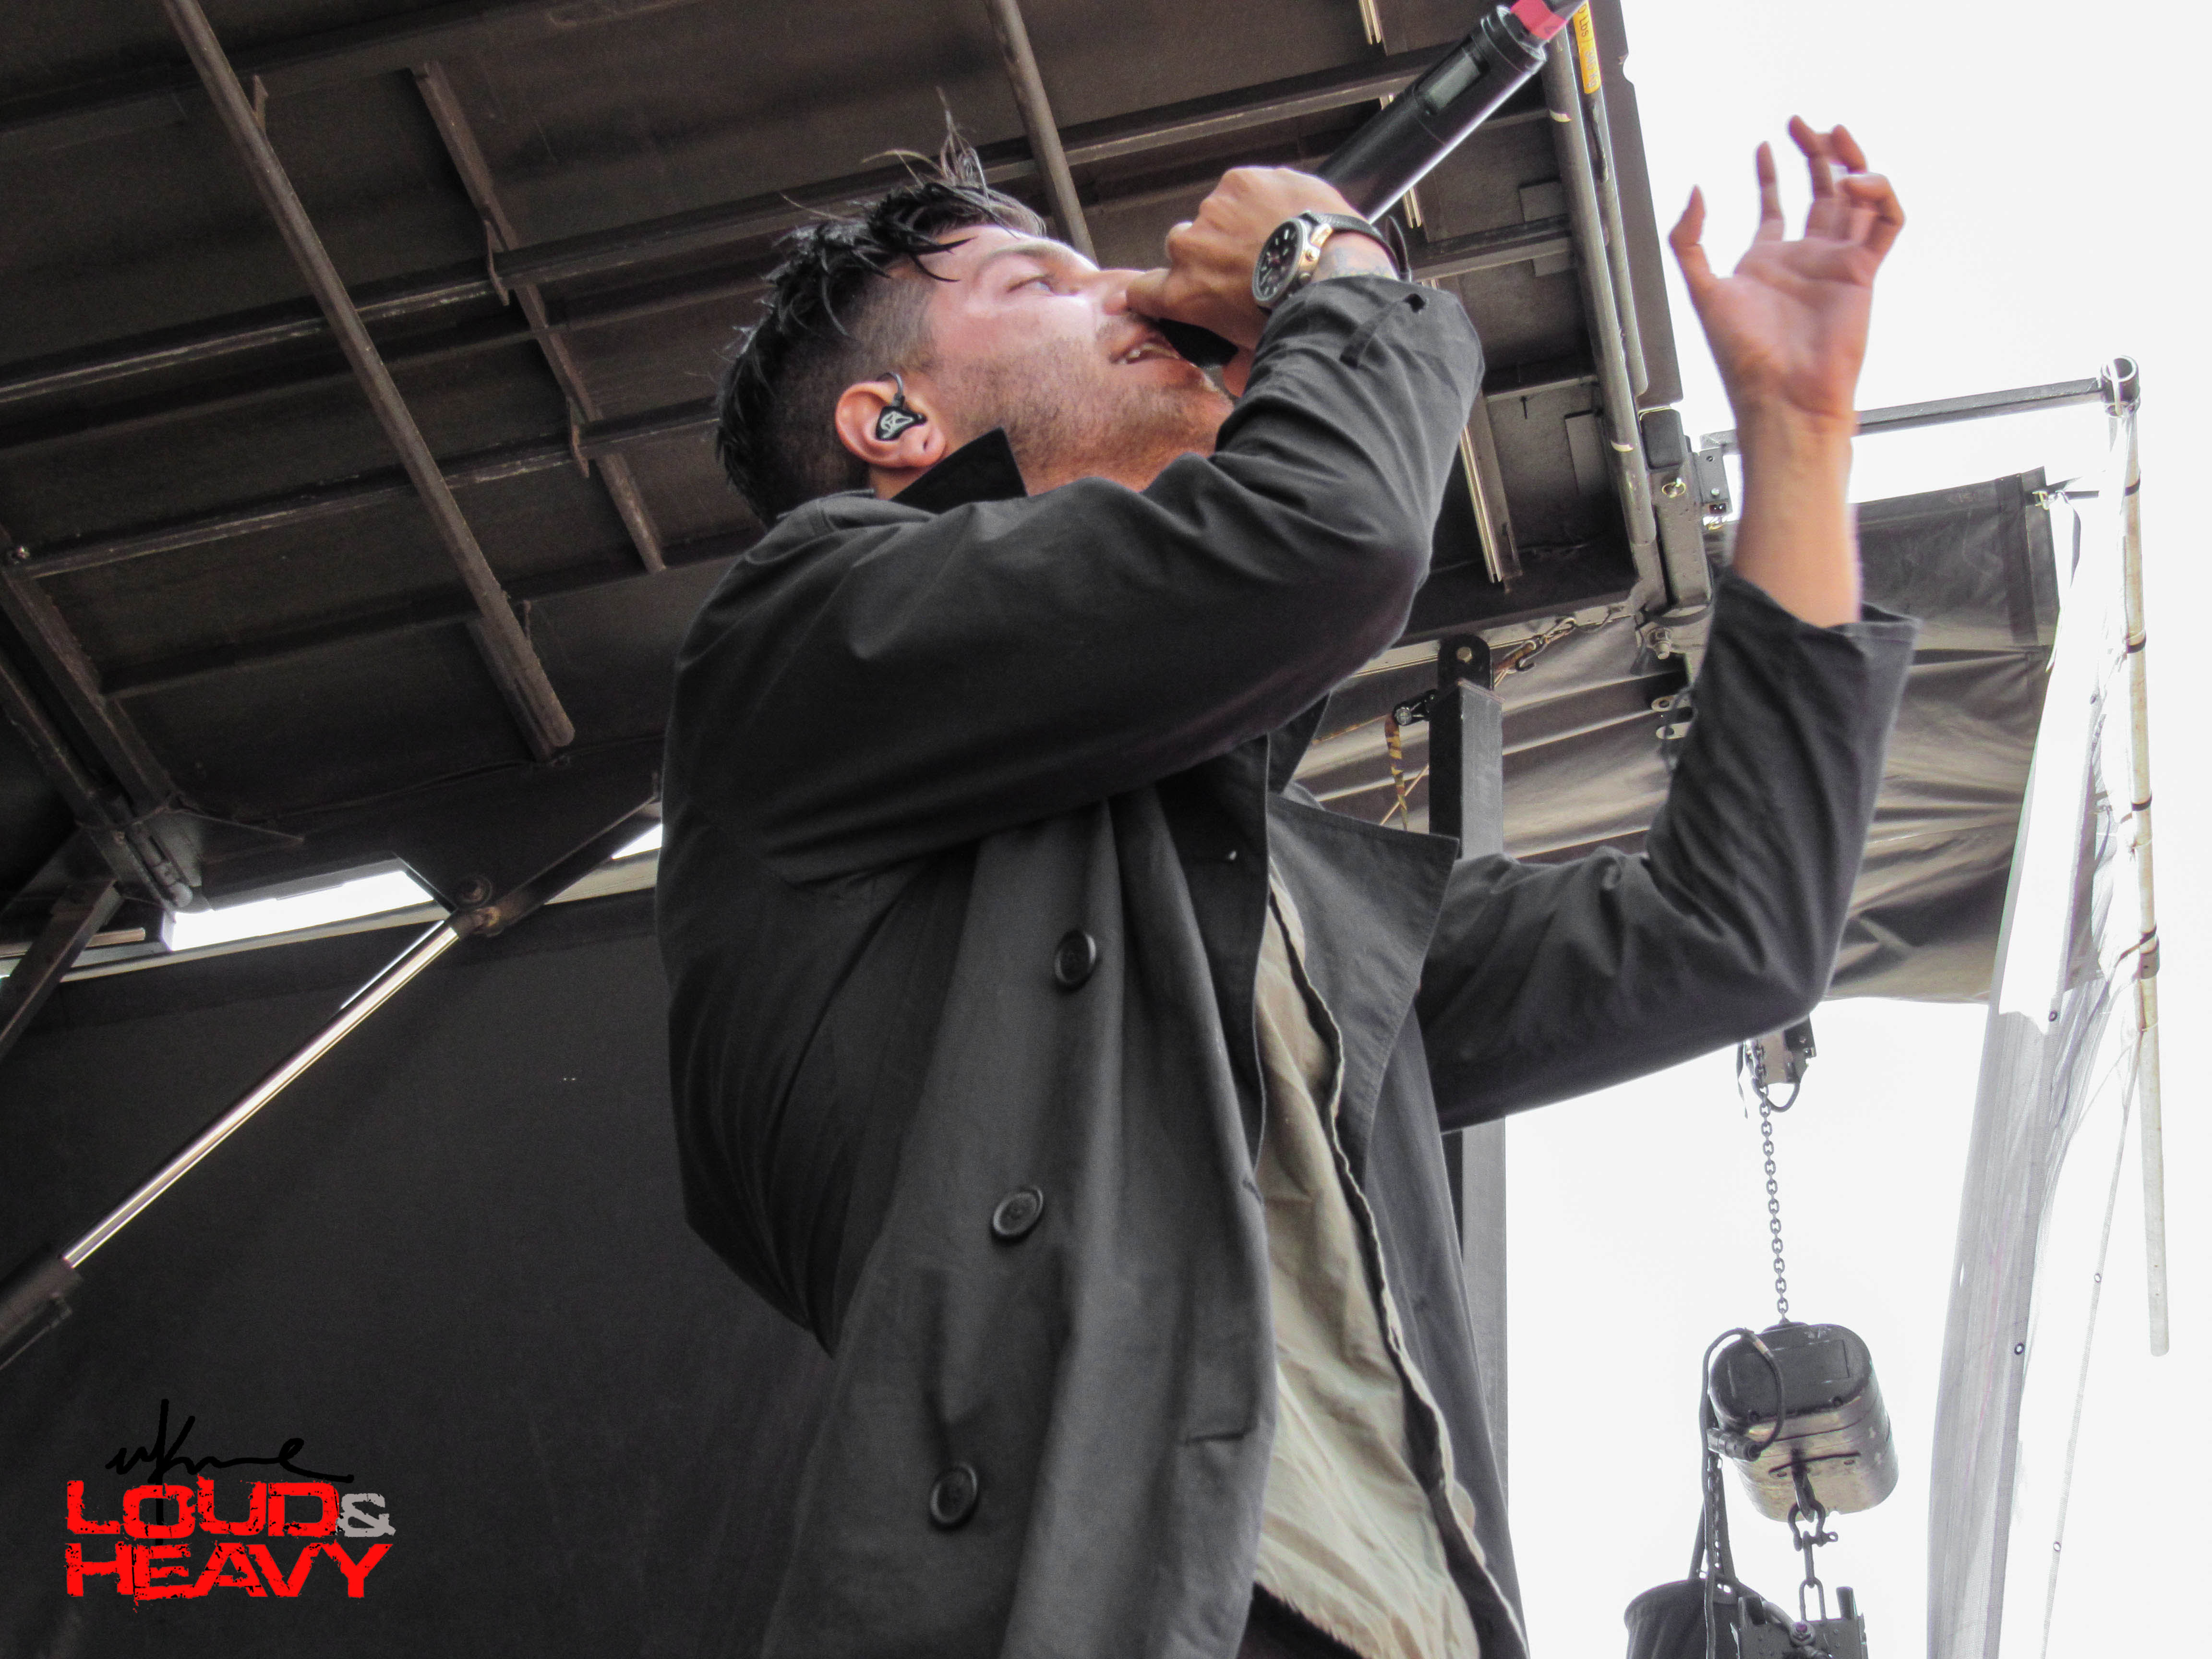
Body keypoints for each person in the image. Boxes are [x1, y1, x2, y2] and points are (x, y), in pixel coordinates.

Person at [656, 119, 1912, 1659]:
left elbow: (1730, 934)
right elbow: (1319, 544)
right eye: (1043, 281)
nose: (1132, 292)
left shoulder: (1278, 881)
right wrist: (1330, 268)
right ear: (895, 419)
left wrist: (1798, 436)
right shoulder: (797, 649)